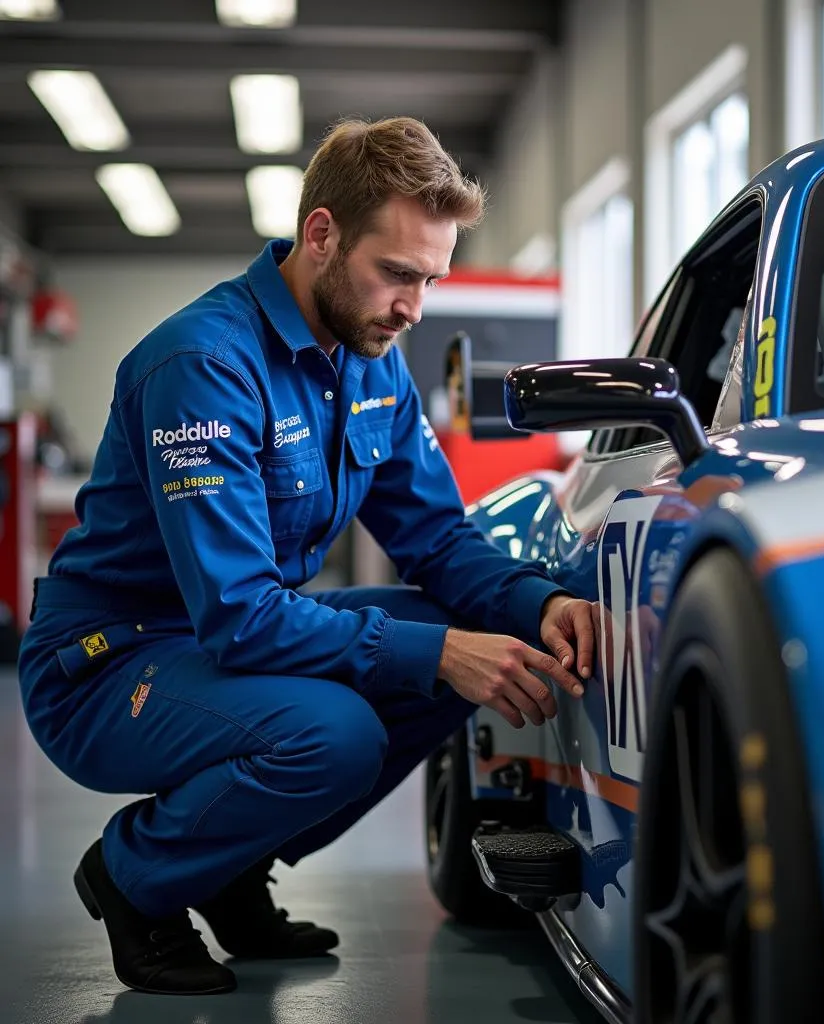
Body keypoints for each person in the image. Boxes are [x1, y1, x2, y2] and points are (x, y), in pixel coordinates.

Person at [17, 116, 594, 997]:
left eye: (428, 279)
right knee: (336, 734)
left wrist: (534, 605)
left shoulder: (372, 364)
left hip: (218, 648)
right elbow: (241, 615)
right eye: (397, 274)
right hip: (107, 667)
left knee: (465, 631)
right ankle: (136, 879)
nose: (413, 309)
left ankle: (227, 867)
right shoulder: (203, 365)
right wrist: (436, 652)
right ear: (320, 234)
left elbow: (438, 538)